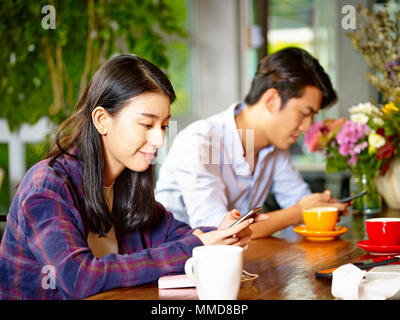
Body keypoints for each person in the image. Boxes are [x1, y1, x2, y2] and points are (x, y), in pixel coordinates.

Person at [0, 55, 258, 300]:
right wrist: (198, 245)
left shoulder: (126, 181)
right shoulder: (48, 186)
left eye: (164, 125)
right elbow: (78, 277)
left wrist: (222, 234)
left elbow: (177, 237)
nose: (159, 139)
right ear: (102, 120)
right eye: (147, 125)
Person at [155, 47, 348, 238]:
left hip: (238, 260)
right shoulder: (200, 141)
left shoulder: (275, 147)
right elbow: (218, 230)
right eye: (304, 114)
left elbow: (298, 199)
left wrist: (323, 206)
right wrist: (299, 212)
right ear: (271, 100)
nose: (307, 127)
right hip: (177, 262)